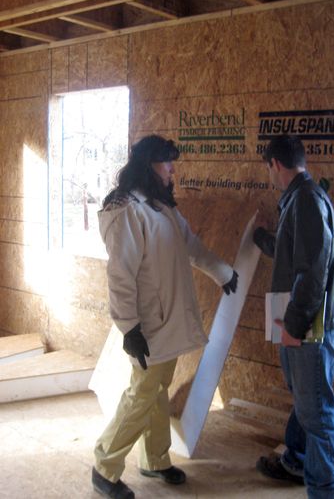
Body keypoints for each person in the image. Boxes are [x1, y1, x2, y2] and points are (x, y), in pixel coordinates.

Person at [91, 134, 238, 499]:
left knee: (156, 389)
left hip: (166, 320)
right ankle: (104, 467)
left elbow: (190, 245)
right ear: (148, 165)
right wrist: (129, 328)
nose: (173, 169)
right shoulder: (126, 209)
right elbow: (120, 275)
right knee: (141, 394)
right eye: (166, 163)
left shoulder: (161, 205)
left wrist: (223, 273)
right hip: (147, 324)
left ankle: (154, 460)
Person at [253, 135, 334, 499]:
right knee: (307, 403)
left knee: (317, 413)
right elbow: (294, 252)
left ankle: (326, 493)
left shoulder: (306, 199)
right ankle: (298, 463)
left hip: (310, 322)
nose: (271, 175)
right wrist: (261, 238)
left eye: (270, 170)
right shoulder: (299, 199)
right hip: (307, 319)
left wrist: (293, 326)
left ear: (276, 164)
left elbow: (312, 268)